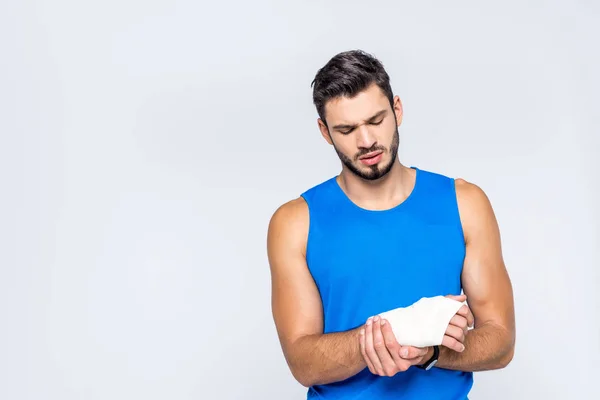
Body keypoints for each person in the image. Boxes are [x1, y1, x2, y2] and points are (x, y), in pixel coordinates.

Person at [266, 49, 516, 399]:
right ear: (325, 132)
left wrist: (430, 351)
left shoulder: (465, 203)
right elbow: (302, 362)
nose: (366, 141)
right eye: (347, 129)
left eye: (376, 120)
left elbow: (501, 342)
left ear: (397, 110)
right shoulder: (295, 222)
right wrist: (401, 330)